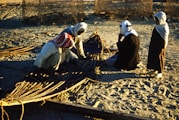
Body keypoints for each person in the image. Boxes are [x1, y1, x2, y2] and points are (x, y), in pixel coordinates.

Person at [147, 11, 169, 78]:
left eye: (157, 19)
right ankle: (155, 68)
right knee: (153, 56)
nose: (155, 20)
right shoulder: (157, 26)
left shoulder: (164, 27)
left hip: (160, 45)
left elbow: (164, 38)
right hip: (154, 44)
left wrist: (163, 46)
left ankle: (160, 72)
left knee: (159, 57)